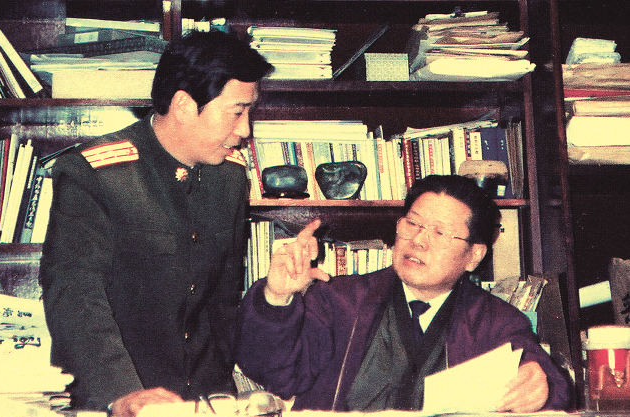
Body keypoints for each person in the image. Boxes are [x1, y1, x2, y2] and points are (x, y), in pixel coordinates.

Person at [40, 29, 273, 416]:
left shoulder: (230, 177)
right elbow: (75, 296)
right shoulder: (95, 174)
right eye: (237, 112)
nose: (245, 130)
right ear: (183, 105)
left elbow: (222, 302)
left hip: (206, 399)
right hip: (123, 398)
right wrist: (121, 392)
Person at [233, 174, 573, 412]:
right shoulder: (339, 300)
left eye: (440, 233)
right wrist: (276, 298)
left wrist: (541, 384)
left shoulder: (496, 322)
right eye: (412, 223)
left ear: (474, 256)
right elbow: (276, 375)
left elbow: (548, 381)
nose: (418, 240)